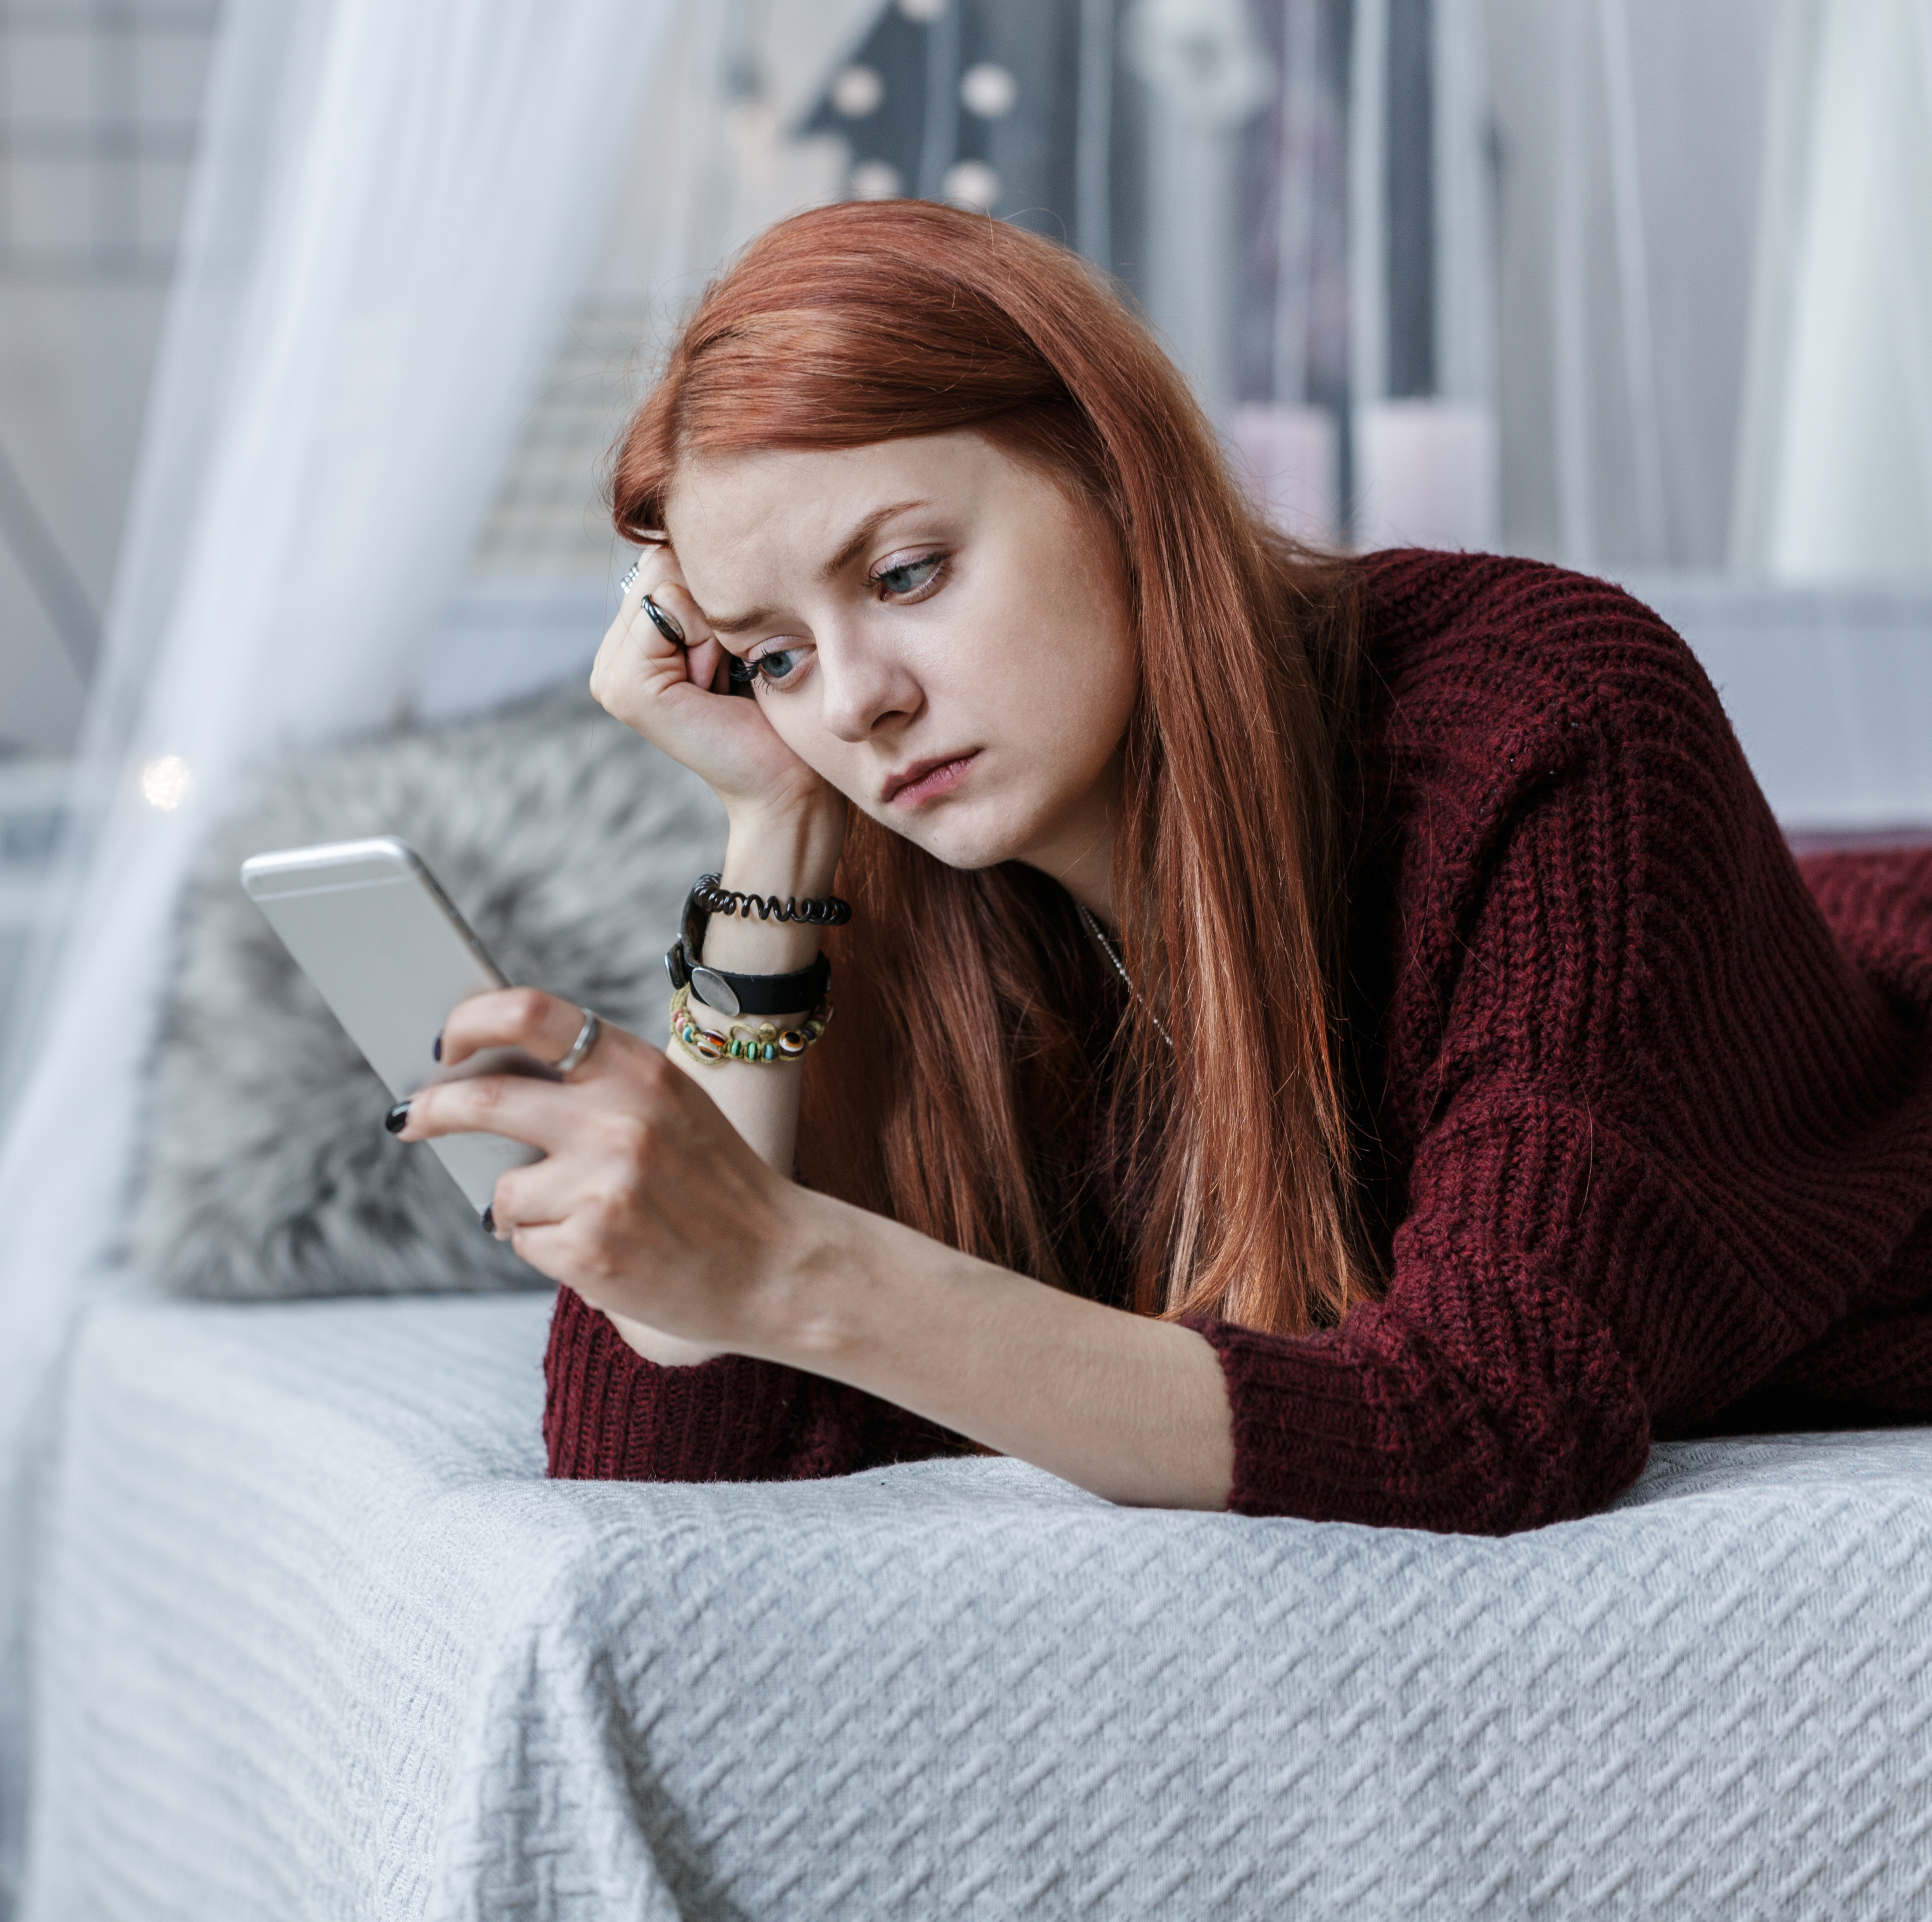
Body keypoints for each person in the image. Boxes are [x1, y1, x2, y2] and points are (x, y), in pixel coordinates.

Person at [389, 199, 1932, 1535]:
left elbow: (1489, 1415)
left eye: (908, 572)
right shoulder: (903, 863)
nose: (856, 699)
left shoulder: (1546, 712)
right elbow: (654, 1462)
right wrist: (773, 836)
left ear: (1115, 476)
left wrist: (800, 1270)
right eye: (775, 655)